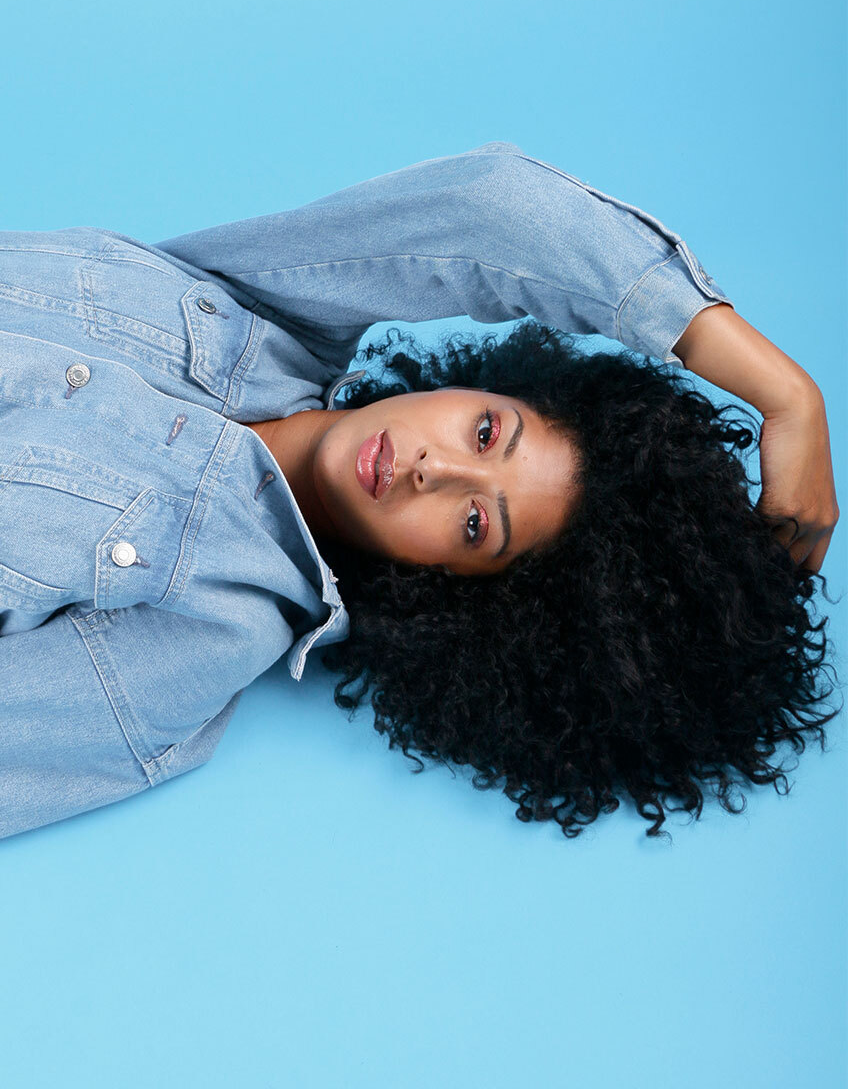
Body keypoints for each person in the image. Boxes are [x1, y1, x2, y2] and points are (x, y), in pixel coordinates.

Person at [0, 141, 840, 841]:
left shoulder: (217, 625)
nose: (434, 469)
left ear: (455, 595)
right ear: (485, 386)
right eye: (487, 433)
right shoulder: (255, 308)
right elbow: (492, 208)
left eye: (475, 523)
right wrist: (788, 394)